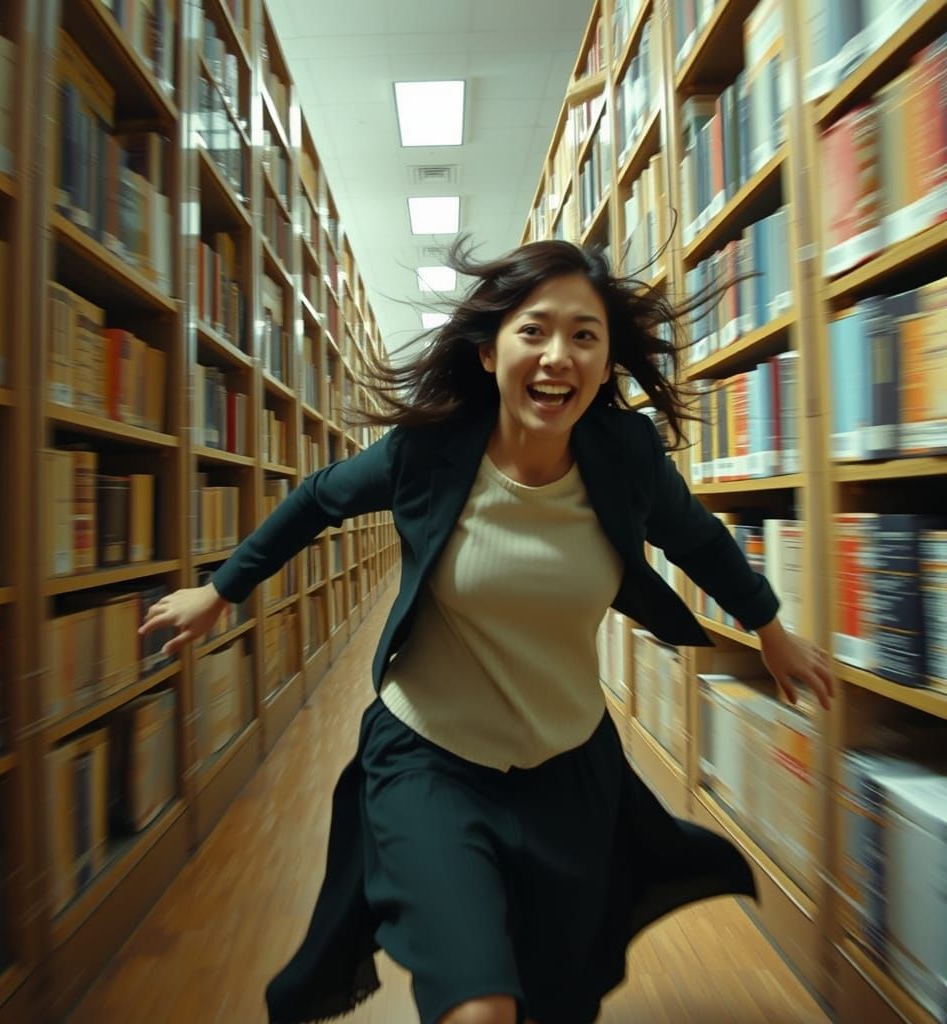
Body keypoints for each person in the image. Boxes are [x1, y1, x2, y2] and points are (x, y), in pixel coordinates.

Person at [139, 238, 835, 1024]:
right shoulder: (429, 453)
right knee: (478, 1006)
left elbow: (699, 541)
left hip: (568, 770)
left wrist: (770, 627)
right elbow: (317, 500)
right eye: (533, 330)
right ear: (488, 352)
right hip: (429, 759)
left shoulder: (626, 457)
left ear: (607, 363)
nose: (557, 356)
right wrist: (219, 592)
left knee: (557, 1002)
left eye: (583, 336)